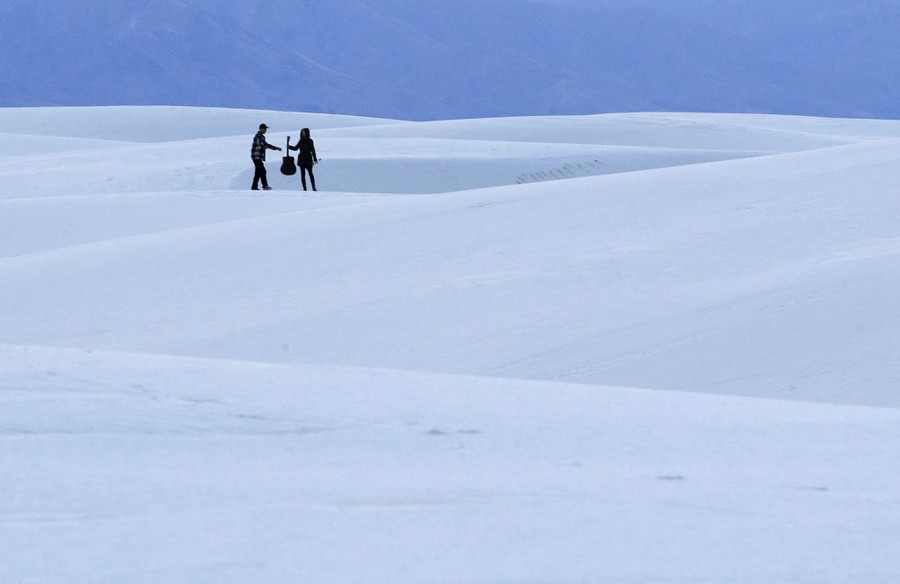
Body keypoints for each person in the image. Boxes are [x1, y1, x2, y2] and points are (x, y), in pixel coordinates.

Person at [251, 123, 282, 190]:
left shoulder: (260, 136)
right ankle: (264, 186)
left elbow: (264, 145)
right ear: (261, 129)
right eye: (264, 129)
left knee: (258, 172)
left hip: (257, 157)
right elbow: (265, 145)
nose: (265, 130)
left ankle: (255, 186)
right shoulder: (259, 136)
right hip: (256, 156)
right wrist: (276, 148)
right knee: (262, 171)